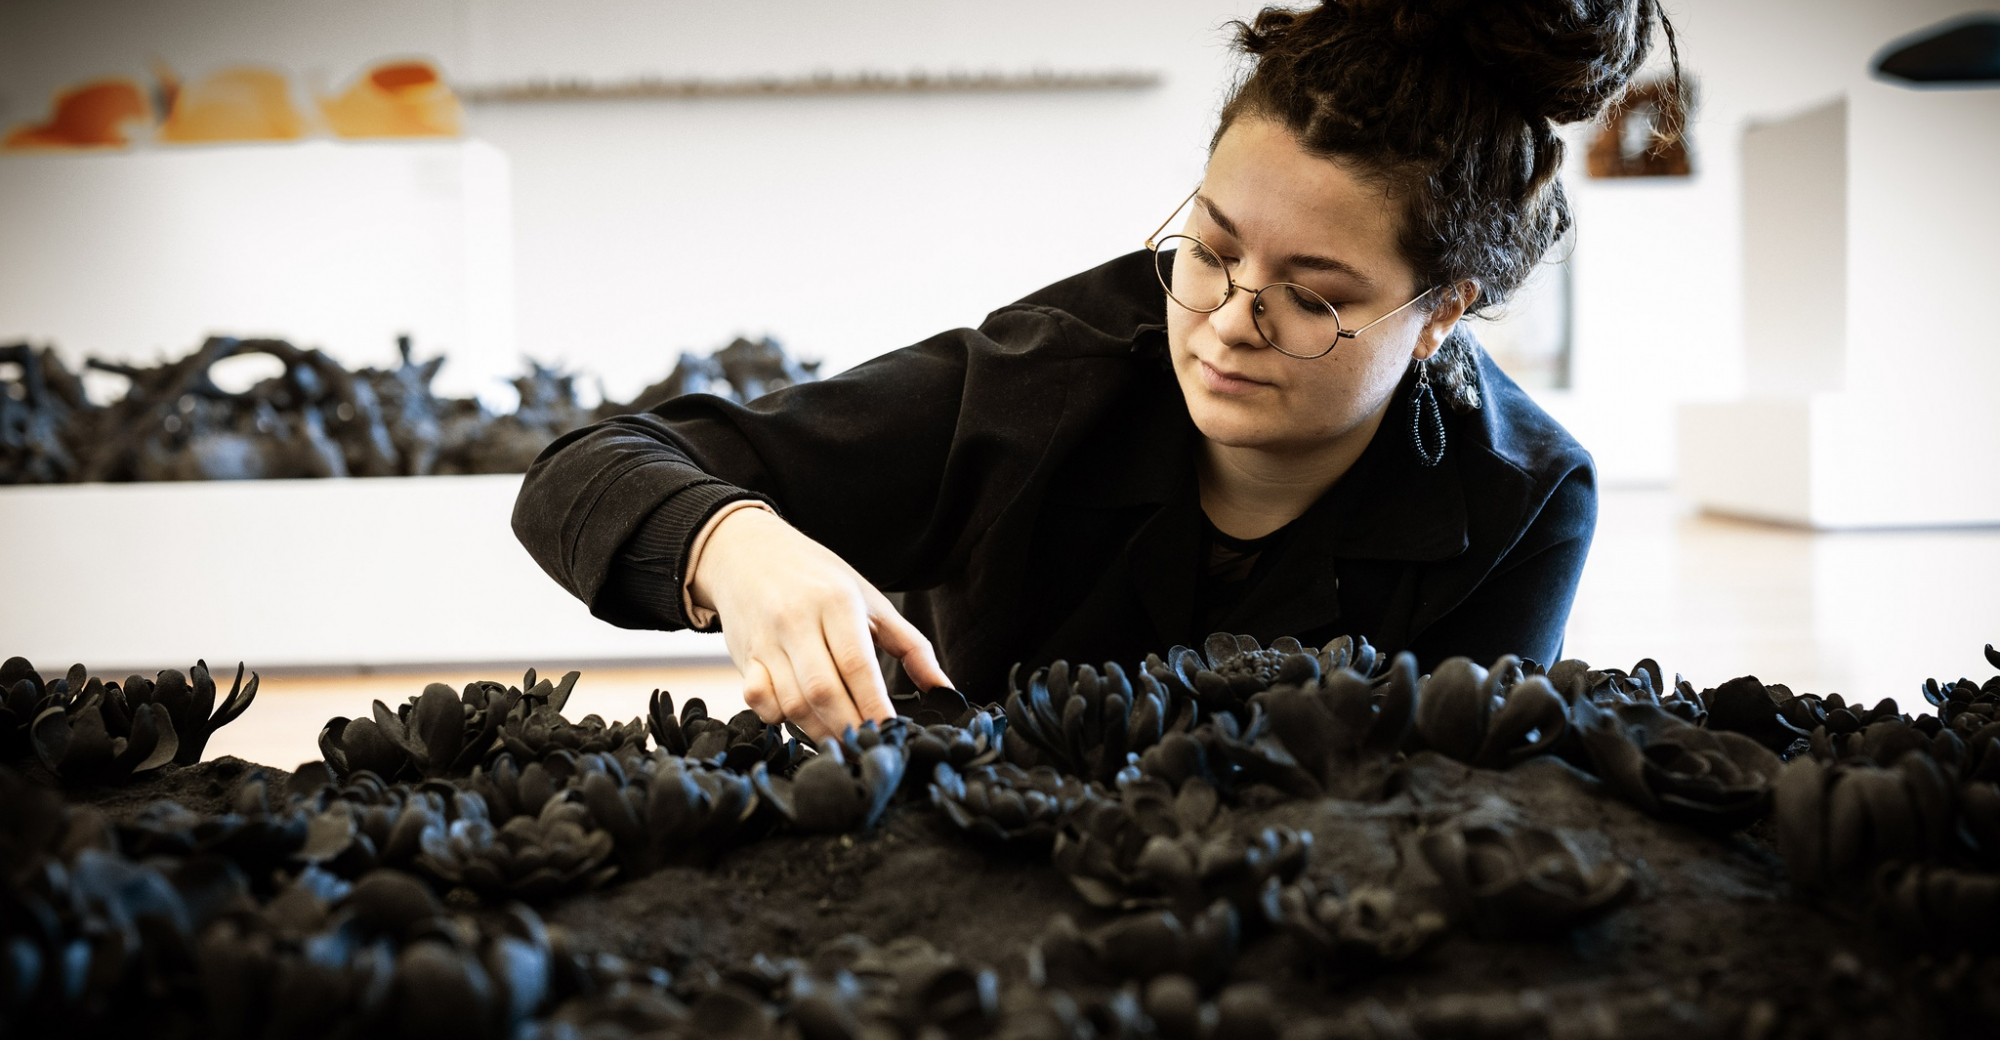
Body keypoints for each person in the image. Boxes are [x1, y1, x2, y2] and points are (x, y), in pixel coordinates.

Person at [513, 0, 1680, 741]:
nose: (1226, 321)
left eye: (1315, 296)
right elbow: (585, 469)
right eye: (1211, 249)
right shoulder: (1047, 379)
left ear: (1440, 317)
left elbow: (1450, 800)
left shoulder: (1518, 500)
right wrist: (737, 546)